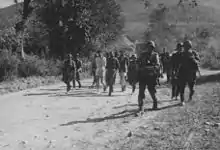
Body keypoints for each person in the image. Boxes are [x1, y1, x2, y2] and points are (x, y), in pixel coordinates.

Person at [137, 41, 160, 114]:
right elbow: (138, 63)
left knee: (152, 91)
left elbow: (157, 65)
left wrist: (150, 68)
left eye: (151, 47)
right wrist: (140, 68)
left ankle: (155, 103)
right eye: (148, 47)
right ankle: (141, 107)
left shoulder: (155, 55)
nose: (150, 49)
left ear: (153, 48)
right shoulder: (142, 55)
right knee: (141, 92)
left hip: (151, 76)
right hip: (143, 76)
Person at [178, 40, 200, 106]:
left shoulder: (194, 53)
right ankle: (182, 101)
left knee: (192, 89)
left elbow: (198, 61)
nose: (185, 47)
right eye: (184, 46)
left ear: (190, 46)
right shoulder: (181, 53)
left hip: (191, 73)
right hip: (183, 72)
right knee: (181, 88)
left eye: (187, 46)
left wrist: (192, 58)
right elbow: (177, 63)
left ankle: (190, 97)